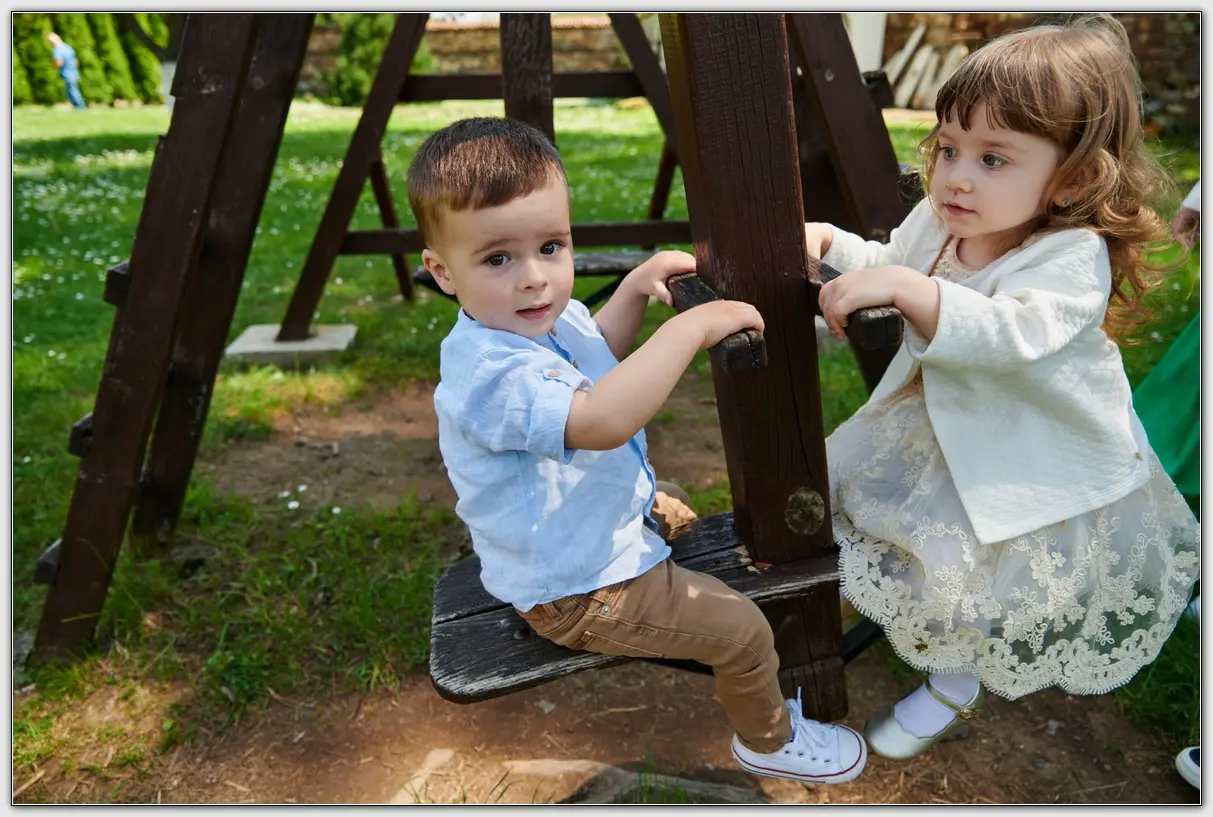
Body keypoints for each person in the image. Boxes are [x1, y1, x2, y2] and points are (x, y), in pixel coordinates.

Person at [413, 116, 867, 784]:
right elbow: (600, 418)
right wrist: (689, 330)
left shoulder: (535, 318)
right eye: (498, 259)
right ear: (442, 271)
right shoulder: (489, 371)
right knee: (742, 630)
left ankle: (650, 545)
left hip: (580, 534)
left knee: (673, 507)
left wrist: (632, 287)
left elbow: (595, 349)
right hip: (576, 587)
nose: (535, 278)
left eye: (551, 246)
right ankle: (769, 739)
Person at [804, 13, 1201, 761]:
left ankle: (953, 680)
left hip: (1025, 453)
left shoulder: (1070, 256)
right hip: (944, 423)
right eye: (949, 147)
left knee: (970, 582)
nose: (956, 175)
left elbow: (1011, 333)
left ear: (1074, 177)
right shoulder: (941, 220)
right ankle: (843, 603)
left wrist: (913, 293)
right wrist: (833, 246)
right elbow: (892, 263)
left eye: (993, 158)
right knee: (844, 501)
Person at [46, 31, 85, 110]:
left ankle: (80, 107)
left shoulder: (57, 49)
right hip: (73, 72)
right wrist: (74, 70)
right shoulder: (67, 47)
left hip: (67, 73)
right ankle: (77, 107)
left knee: (72, 91)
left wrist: (51, 65)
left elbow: (59, 62)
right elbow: (75, 61)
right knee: (73, 90)